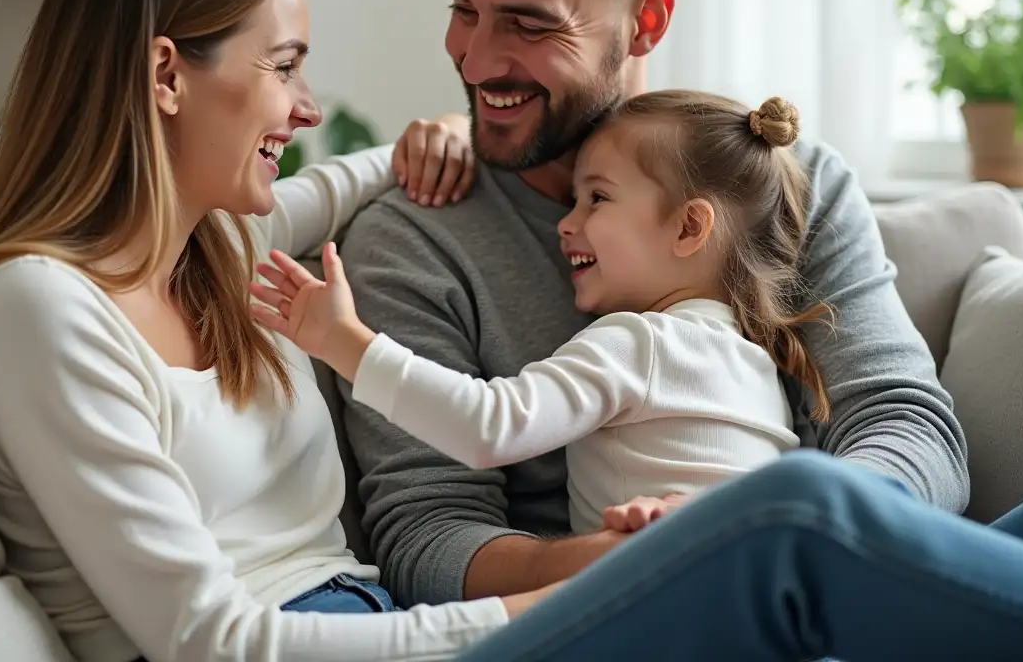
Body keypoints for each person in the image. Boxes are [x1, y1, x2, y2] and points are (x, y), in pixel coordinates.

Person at [336, 0, 970, 606]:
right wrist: (634, 560)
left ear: (647, 23)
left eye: (530, 25)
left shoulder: (784, 187)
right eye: (464, 9)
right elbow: (429, 537)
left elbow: (902, 422)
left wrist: (781, 546)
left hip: (833, 588)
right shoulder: (415, 239)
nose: (472, 60)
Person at [0, 0, 553, 662]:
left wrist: (452, 131)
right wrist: (527, 616)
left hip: (370, 621)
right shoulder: (36, 312)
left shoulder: (228, 247)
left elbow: (383, 167)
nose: (309, 109)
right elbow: (210, 641)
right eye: (285, 66)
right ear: (166, 74)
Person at [254, 90, 828, 535]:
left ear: (688, 227)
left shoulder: (639, 344)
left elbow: (488, 427)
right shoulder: (758, 363)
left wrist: (344, 340)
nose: (565, 223)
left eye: (597, 198)